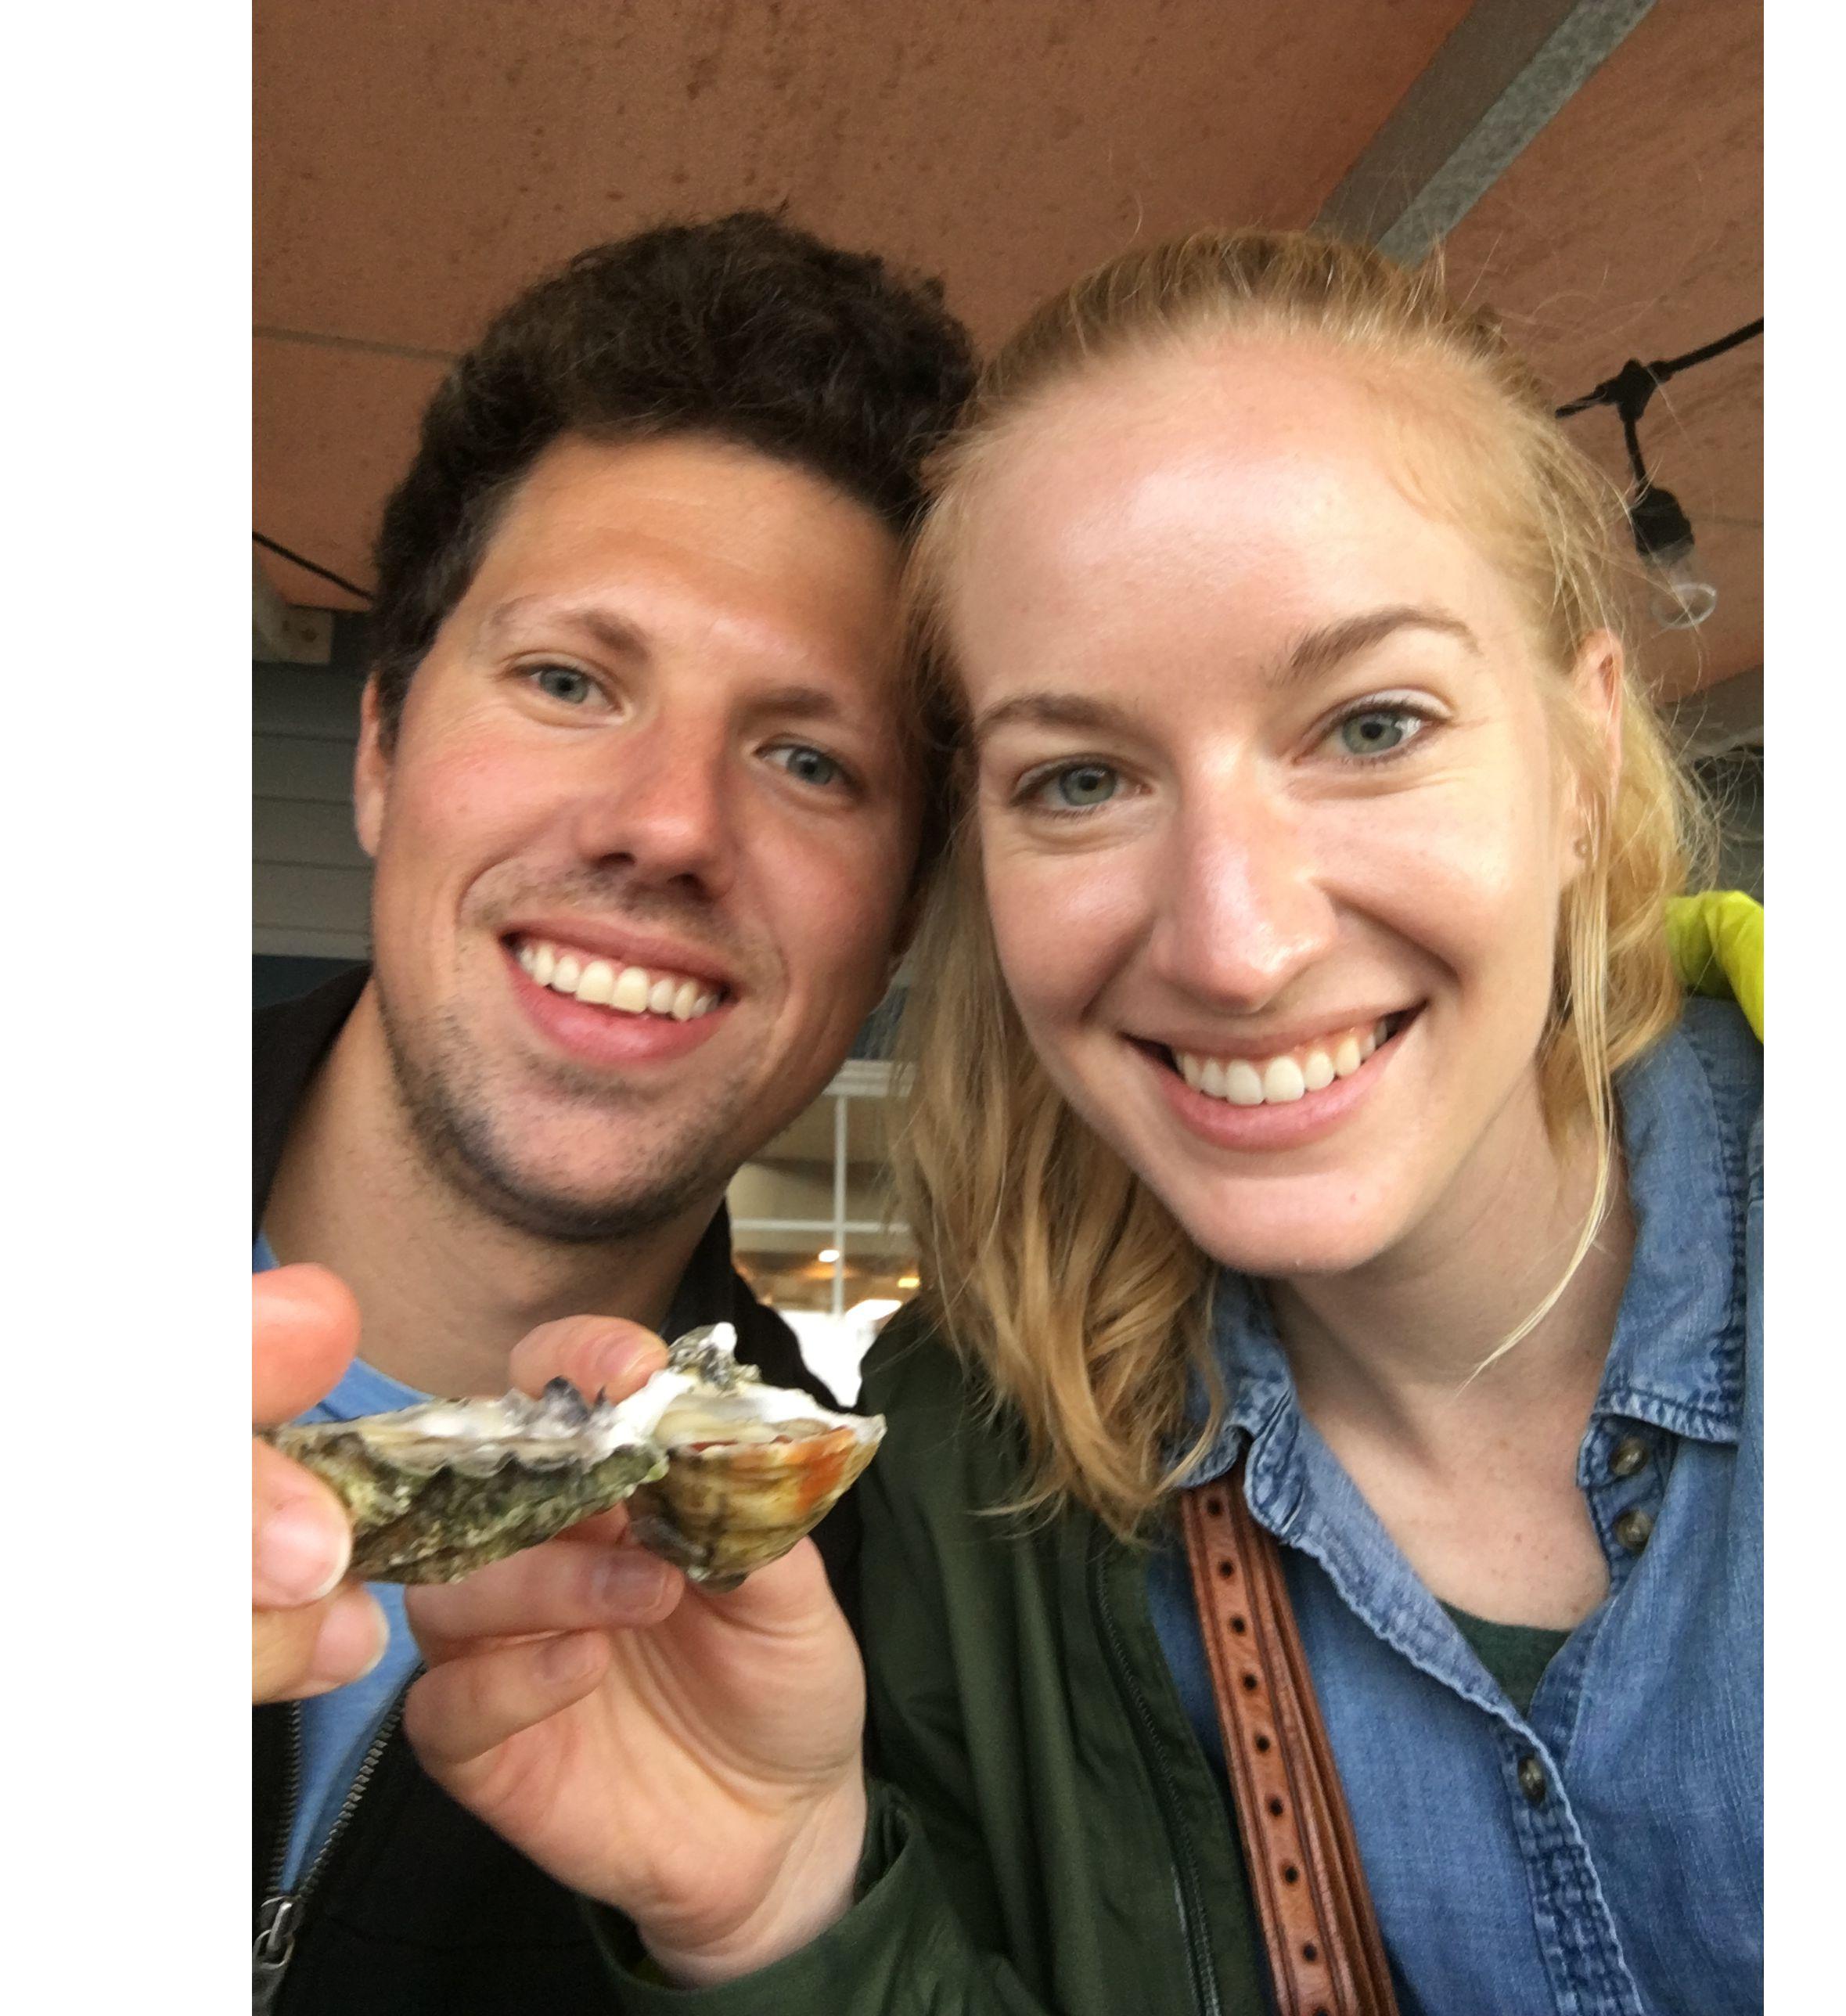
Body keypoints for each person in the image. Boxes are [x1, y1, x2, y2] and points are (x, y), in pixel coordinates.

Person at [394, 229, 1764, 2014]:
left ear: (1584, 759)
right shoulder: (960, 1494)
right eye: (1083, 779)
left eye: (1370, 725)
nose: (1236, 943)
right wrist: (793, 1915)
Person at [250, 211, 974, 2014]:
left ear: (899, 914)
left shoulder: (885, 1619)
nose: (666, 824)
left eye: (808, 757)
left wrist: (774, 1942)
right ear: (380, 746)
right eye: (569, 680)